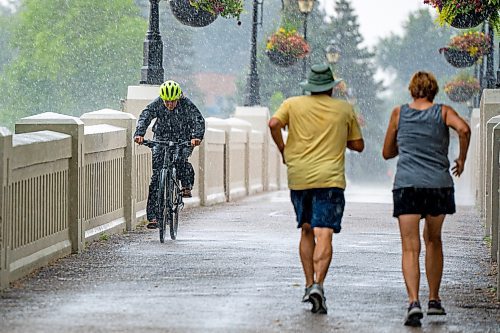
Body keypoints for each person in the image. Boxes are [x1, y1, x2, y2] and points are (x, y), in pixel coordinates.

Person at [269, 64, 364, 314]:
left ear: (309, 87)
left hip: (299, 176)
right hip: (330, 179)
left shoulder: (292, 104)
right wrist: (335, 133)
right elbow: (358, 145)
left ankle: (308, 282)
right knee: (325, 232)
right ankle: (319, 285)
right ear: (331, 87)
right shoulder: (344, 109)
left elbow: (273, 123)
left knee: (306, 229)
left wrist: (283, 149)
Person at [382, 71, 471, 327]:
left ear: (412, 90)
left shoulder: (399, 113)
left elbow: (387, 152)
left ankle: (413, 302)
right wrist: (461, 159)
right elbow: (464, 129)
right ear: (434, 91)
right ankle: (434, 299)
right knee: (433, 240)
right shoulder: (443, 112)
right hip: (437, 185)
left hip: (408, 185)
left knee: (410, 246)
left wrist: (408, 144)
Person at [134, 80, 205, 229]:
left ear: (178, 98)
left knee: (180, 160)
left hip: (183, 138)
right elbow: (145, 116)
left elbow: (198, 120)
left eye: (173, 102)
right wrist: (139, 133)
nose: (170, 105)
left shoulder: (186, 104)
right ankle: (153, 217)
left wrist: (196, 137)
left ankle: (186, 184)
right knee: (156, 177)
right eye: (167, 102)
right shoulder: (158, 103)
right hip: (161, 138)